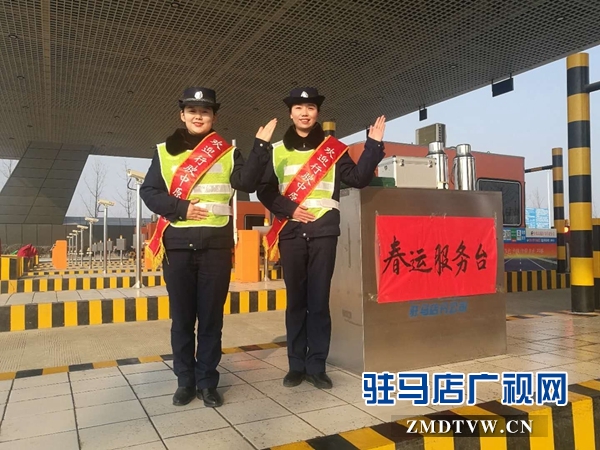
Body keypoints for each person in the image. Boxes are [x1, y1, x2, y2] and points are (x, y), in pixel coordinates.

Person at [140, 87, 277, 407]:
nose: (198, 116)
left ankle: (207, 382)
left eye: (205, 111)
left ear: (214, 116)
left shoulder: (227, 152)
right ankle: (185, 382)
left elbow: (246, 184)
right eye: (192, 111)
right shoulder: (163, 151)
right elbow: (150, 191)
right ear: (182, 115)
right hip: (177, 247)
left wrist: (260, 147)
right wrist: (182, 208)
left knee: (212, 320)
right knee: (183, 319)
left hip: (215, 246)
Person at [257, 87, 385, 389]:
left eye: (311, 108)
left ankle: (316, 365)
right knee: (295, 303)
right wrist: (289, 209)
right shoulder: (276, 151)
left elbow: (358, 179)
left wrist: (372, 146)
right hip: (290, 233)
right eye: (299, 108)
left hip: (324, 233)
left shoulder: (334, 149)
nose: (305, 113)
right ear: (291, 113)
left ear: (317, 113)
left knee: (319, 302)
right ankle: (295, 366)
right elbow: (264, 190)